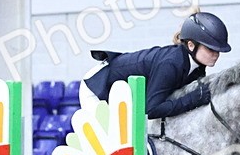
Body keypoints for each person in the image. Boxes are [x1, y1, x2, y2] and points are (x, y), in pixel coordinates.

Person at [82, 11, 231, 119]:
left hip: (124, 94)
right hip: (98, 88)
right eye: (210, 49)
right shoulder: (171, 63)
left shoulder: (197, 66)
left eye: (218, 50)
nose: (216, 54)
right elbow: (152, 110)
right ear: (191, 45)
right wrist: (194, 99)